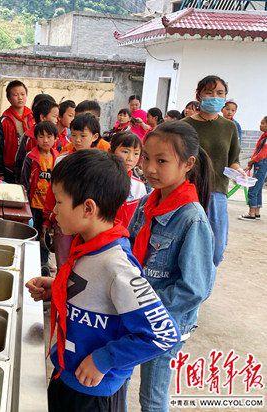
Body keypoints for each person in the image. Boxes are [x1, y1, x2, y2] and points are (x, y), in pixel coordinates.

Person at [26, 150, 180, 412]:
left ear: (88, 208)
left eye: (60, 202)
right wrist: (58, 287)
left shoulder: (116, 265)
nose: (53, 210)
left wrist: (104, 359)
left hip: (93, 394)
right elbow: (93, 289)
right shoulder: (86, 246)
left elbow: (164, 334)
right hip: (67, 373)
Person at [128, 121, 216, 412]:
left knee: (152, 396)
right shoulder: (145, 204)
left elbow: (195, 288)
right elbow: (127, 252)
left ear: (188, 164)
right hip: (134, 311)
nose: (150, 168)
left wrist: (146, 308)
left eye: (161, 161)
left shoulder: (192, 219)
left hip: (166, 323)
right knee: (120, 376)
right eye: (146, 158)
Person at [182, 75, 244, 266]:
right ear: (199, 95)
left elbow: (233, 160)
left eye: (220, 93)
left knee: (216, 249)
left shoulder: (229, 127)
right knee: (186, 246)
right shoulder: (184, 126)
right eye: (209, 92)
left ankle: (203, 285)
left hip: (217, 192)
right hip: (188, 192)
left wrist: (239, 172)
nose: (215, 97)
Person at [43, 114, 102, 270]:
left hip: (87, 223)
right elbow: (52, 191)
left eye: (83, 136)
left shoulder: (100, 164)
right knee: (63, 260)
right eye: (74, 135)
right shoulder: (61, 160)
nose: (77, 140)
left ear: (94, 136)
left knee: (84, 264)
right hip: (64, 219)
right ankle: (61, 289)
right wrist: (49, 216)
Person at [21, 121, 59, 276]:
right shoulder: (31, 157)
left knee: (47, 237)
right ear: (36, 138)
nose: (45, 140)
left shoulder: (58, 158)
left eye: (49, 136)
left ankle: (43, 266)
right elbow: (23, 182)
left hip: (50, 207)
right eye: (41, 136)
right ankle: (30, 266)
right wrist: (25, 204)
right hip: (34, 205)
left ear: (56, 138)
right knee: (33, 234)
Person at [0, 80, 35, 183]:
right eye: (15, 95)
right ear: (9, 98)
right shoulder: (4, 120)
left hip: (30, 166)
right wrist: (0, 173)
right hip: (10, 170)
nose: (20, 97)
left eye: (22, 94)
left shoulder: (33, 117)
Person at [14, 98, 59, 180]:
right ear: (43, 117)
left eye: (49, 137)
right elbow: (20, 161)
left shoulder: (56, 152)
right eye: (54, 116)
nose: (57, 120)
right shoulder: (28, 137)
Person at [110, 132, 147, 227]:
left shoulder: (139, 186)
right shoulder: (98, 180)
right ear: (111, 151)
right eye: (125, 152)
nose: (130, 158)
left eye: (136, 153)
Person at [240, 116, 267, 221]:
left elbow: (262, 154)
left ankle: (251, 213)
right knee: (258, 188)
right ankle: (256, 212)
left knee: (253, 188)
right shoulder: (264, 136)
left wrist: (252, 161)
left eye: (263, 123)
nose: (260, 125)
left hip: (261, 164)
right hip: (260, 163)